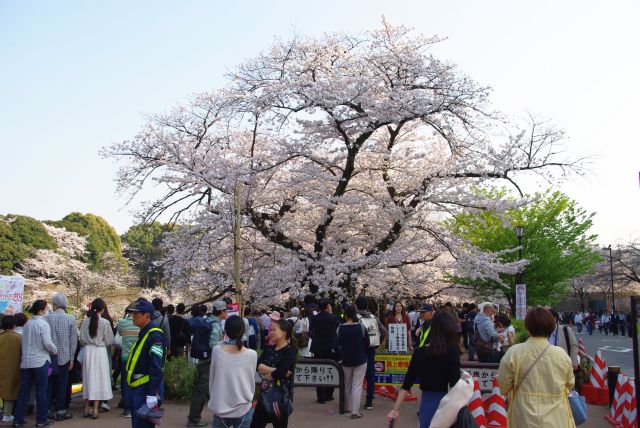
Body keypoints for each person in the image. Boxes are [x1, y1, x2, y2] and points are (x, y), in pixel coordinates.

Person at [497, 307, 575, 427]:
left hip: (523, 415)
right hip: (556, 416)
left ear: (528, 327)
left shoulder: (514, 352)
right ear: (551, 326)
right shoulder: (561, 354)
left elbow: (503, 384)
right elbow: (569, 384)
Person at [386, 310, 461, 428]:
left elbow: (407, 383)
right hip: (447, 408)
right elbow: (455, 384)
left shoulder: (419, 353)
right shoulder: (452, 352)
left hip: (426, 405)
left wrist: (396, 409)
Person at [13, 300, 58, 427]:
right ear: (41, 310)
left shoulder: (27, 324)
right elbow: (47, 343)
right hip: (40, 361)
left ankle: (18, 419)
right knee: (41, 391)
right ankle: (41, 419)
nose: (48, 310)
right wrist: (55, 350)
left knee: (24, 392)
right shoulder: (43, 324)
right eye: (46, 308)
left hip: (26, 361)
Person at [208, 315, 257, 428]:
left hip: (220, 407)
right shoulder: (252, 355)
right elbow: (250, 379)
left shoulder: (217, 351)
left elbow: (212, 378)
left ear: (225, 330)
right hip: (243, 407)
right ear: (243, 331)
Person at [124, 299, 166, 428]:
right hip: (138, 388)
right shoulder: (145, 333)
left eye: (136, 314)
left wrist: (151, 393)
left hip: (144, 389)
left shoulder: (154, 335)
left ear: (147, 315)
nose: (133, 317)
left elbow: (156, 366)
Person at [187, 301, 227, 427]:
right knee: (202, 389)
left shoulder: (208, 321)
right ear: (221, 312)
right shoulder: (215, 325)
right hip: (207, 362)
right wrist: (224, 346)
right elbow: (213, 344)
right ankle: (193, 419)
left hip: (204, 360)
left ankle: (217, 415)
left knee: (206, 389)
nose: (227, 312)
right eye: (226, 310)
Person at [251, 319, 297, 428]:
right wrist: (275, 370)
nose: (271, 333)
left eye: (274, 330)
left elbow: (280, 372)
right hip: (264, 397)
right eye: (271, 330)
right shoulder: (269, 348)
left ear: (284, 332)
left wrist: (270, 373)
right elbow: (258, 366)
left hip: (280, 399)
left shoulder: (290, 351)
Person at [80, 298, 115, 419]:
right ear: (102, 309)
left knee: (87, 377)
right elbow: (110, 340)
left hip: (88, 351)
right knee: (99, 378)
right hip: (100, 352)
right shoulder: (105, 322)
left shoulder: (85, 322)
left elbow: (82, 339)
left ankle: (86, 408)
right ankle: (95, 409)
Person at [45, 292, 77, 421]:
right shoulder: (71, 319)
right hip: (64, 357)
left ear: (55, 304)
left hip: (49, 357)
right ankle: (60, 410)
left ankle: (46, 410)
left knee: (48, 385)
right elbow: (73, 340)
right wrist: (72, 358)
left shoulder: (47, 318)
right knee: (62, 385)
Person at [337, 305, 369, 419]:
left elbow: (338, 344)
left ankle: (348, 407)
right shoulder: (361, 327)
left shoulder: (340, 328)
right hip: (360, 359)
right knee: (357, 386)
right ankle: (355, 412)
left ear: (345, 315)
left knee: (347, 384)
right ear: (355, 314)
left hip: (346, 360)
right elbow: (367, 343)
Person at [355, 296, 387, 410]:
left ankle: (354, 403)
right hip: (371, 349)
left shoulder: (355, 318)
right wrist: (378, 344)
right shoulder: (373, 317)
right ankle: (369, 402)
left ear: (356, 305)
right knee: (370, 376)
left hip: (358, 350)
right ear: (367, 306)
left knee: (357, 376)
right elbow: (384, 331)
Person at [310, 299, 342, 404]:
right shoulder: (334, 318)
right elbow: (338, 331)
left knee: (318, 370)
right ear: (328, 306)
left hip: (318, 347)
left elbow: (311, 332)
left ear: (318, 307)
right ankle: (328, 394)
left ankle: (320, 396)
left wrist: (316, 339)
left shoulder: (314, 318)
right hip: (330, 347)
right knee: (331, 369)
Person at [116, 308, 141, 418]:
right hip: (138, 358)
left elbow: (120, 334)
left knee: (126, 384)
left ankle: (127, 410)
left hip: (125, 357)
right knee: (138, 383)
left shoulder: (122, 322)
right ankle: (137, 407)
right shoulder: (141, 323)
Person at [0, 315, 21, 423]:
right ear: (14, 325)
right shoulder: (19, 338)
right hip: (13, 368)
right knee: (10, 391)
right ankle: (7, 414)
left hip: (2, 367)